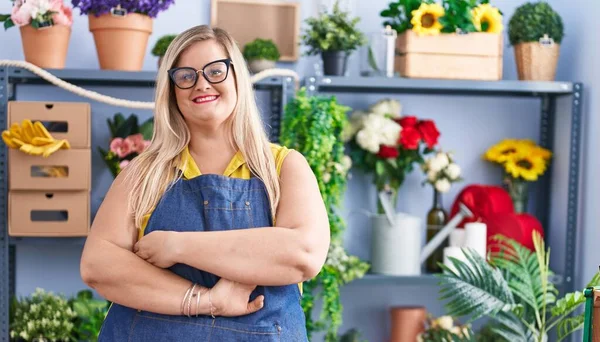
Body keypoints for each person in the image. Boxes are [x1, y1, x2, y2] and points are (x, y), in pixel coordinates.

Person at [79, 24, 330, 341]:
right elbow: (98, 266)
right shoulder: (143, 174)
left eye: (215, 71)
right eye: (185, 76)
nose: (201, 84)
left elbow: (302, 255)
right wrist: (208, 300)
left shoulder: (283, 167)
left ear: (237, 76)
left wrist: (176, 246)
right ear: (171, 90)